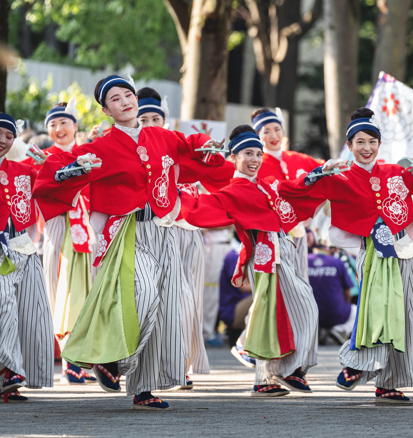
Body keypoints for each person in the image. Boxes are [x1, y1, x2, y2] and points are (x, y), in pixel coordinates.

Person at [35, 74, 226, 410]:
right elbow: (58, 169)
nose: (125, 102)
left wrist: (206, 147)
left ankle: (144, 387)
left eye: (128, 95)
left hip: (165, 229)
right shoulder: (102, 146)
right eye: (116, 99)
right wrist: (73, 169)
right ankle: (109, 360)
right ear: (106, 111)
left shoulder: (161, 136)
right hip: (127, 231)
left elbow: (190, 148)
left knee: (166, 305)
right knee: (142, 291)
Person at [280, 108, 413, 404]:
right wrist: (317, 173)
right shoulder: (338, 176)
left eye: (372, 142)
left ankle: (390, 382)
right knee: (376, 305)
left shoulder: (396, 172)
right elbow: (290, 191)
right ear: (349, 145)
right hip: (371, 251)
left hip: (404, 251)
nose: (367, 148)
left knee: (405, 313)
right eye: (359, 142)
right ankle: (355, 362)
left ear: (379, 144)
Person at [181, 125, 319, 397]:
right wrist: (177, 195)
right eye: (247, 153)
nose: (255, 159)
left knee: (279, 313)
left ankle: (268, 376)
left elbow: (292, 190)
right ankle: (285, 370)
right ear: (233, 157)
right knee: (297, 308)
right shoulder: (236, 189)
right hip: (265, 257)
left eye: (258, 153)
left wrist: (316, 176)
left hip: (281, 255)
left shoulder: (266, 184)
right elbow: (206, 208)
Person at [136, 87, 212, 390]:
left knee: (190, 300)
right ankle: (158, 362)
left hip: (189, 233)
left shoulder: (177, 149)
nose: (152, 122)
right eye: (145, 118)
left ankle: (182, 363)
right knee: (168, 298)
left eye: (157, 117)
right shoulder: (137, 151)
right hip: (155, 232)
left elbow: (209, 176)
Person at [34, 100, 96, 385]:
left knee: (87, 293)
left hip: (88, 228)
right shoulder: (41, 156)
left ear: (75, 126)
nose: (58, 129)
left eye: (64, 123)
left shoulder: (88, 154)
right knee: (61, 292)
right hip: (59, 227)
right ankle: (67, 359)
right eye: (53, 125)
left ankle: (83, 358)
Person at [0, 112, 54, 403]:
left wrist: (51, 163)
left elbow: (54, 180)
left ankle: (12, 377)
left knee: (31, 313)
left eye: (9, 136)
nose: (3, 140)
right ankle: (10, 372)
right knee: (4, 307)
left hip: (23, 245)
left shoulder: (22, 169)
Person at [306, 231, 356, 344]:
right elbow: (348, 295)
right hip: (336, 313)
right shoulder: (337, 262)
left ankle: (318, 331)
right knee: (357, 310)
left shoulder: (304, 261)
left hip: (310, 314)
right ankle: (339, 330)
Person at [251, 108, 323, 182]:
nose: (274, 136)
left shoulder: (301, 159)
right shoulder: (254, 166)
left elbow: (326, 169)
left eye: (277, 129)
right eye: (266, 132)